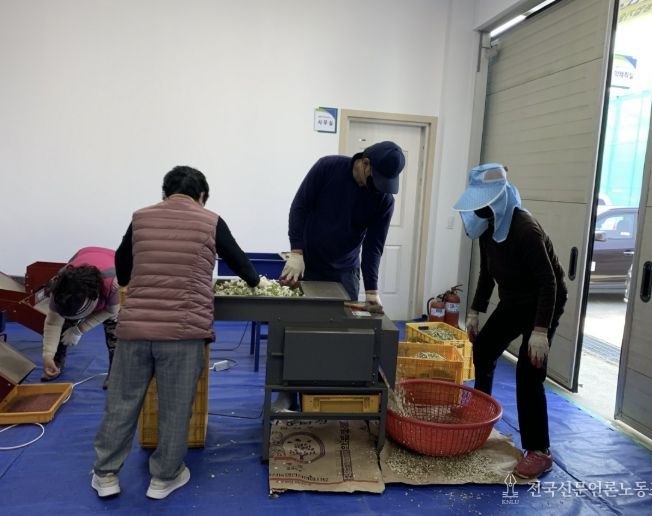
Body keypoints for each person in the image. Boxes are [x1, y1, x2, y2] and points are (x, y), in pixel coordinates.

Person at [91, 166, 267, 500]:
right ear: (202, 196)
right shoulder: (210, 221)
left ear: (164, 193)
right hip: (183, 333)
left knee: (122, 403)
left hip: (136, 329)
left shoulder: (141, 218)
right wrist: (256, 281)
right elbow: (241, 264)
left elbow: (122, 268)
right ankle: (164, 478)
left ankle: (106, 475)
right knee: (175, 406)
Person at [453, 163, 568, 479]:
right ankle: (481, 410)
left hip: (543, 303)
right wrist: (474, 311)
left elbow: (549, 283)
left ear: (497, 199)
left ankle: (539, 451)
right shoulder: (488, 226)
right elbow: (487, 273)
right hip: (514, 300)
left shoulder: (524, 229)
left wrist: (540, 331)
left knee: (528, 374)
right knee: (484, 349)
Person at [281, 141, 406, 312]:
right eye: (377, 180)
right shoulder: (327, 167)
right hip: (307, 264)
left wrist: (371, 291)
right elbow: (299, 207)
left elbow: (373, 247)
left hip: (345, 272)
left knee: (343, 324)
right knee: (299, 319)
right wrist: (296, 251)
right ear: (365, 163)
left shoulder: (384, 200)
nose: (379, 188)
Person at [41, 247, 119, 389]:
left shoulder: (111, 284)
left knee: (115, 328)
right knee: (64, 323)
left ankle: (115, 371)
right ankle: (56, 361)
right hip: (83, 254)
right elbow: (53, 323)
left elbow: (111, 310)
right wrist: (47, 355)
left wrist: (80, 329)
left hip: (113, 262)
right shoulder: (59, 286)